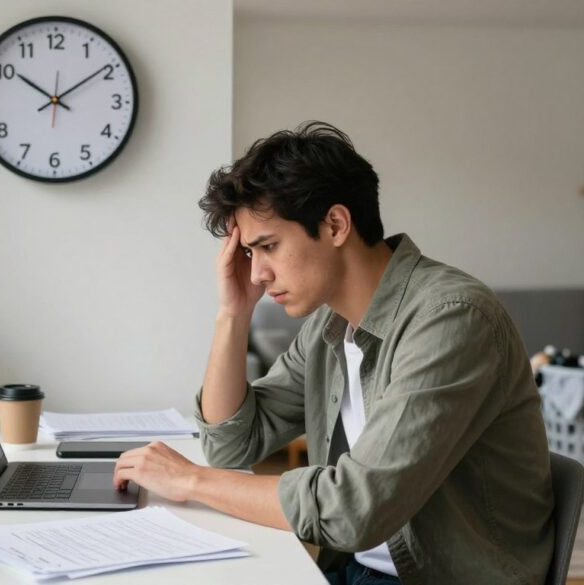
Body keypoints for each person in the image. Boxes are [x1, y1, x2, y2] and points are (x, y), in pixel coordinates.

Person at [112, 122, 554, 584]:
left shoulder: (451, 320)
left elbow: (353, 510)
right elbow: (230, 445)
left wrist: (190, 481)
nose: (258, 273)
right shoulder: (330, 324)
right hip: (360, 570)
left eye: (268, 247)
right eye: (248, 253)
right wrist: (233, 314)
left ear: (336, 225)